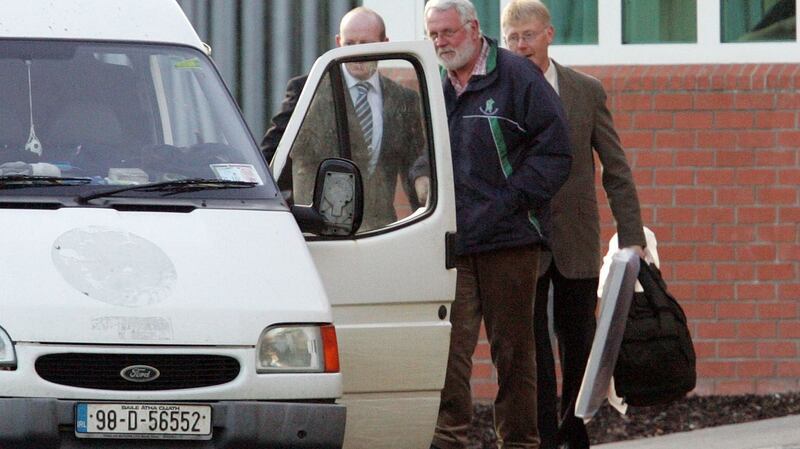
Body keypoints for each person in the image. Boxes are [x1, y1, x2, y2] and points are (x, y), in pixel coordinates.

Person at [420, 1, 571, 448]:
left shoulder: (518, 76)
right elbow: (417, 148)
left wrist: (510, 200)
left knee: (514, 355)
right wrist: (419, 178)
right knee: (450, 352)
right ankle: (448, 439)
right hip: (455, 243)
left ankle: (520, 441)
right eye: (433, 35)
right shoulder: (432, 82)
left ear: (473, 29)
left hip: (510, 241)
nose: (440, 42)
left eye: (447, 32)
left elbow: (556, 151)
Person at [500, 2, 646, 448]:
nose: (522, 45)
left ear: (550, 34)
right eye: (513, 38)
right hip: (519, 236)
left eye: (529, 35)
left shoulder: (585, 90)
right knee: (531, 345)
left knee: (579, 337)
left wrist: (632, 235)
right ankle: (545, 433)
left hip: (575, 234)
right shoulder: (496, 92)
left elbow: (615, 168)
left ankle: (573, 427)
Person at [262, 7, 424, 230]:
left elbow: (414, 170)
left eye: (366, 44)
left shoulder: (403, 99)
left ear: (385, 43)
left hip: (383, 233)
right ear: (339, 43)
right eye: (350, 44)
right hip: (320, 234)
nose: (357, 53)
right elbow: (273, 154)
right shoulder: (307, 90)